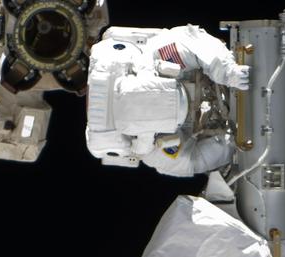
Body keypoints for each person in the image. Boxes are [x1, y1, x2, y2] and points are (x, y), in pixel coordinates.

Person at [85, 24, 249, 176]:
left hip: (233, 78)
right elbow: (194, 161)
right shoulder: (154, 150)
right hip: (242, 129)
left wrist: (227, 72)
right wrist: (231, 143)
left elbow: (194, 42)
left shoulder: (156, 56)